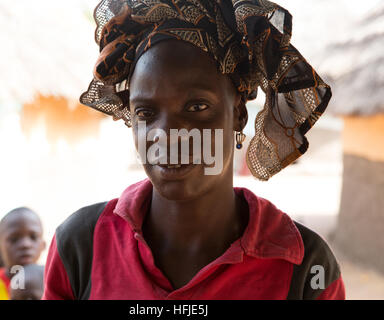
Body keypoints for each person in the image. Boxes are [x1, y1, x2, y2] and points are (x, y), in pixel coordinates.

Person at [43, 0, 345, 300]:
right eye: (146, 113)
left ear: (239, 114)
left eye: (197, 107)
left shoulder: (305, 269)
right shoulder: (81, 246)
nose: (168, 136)